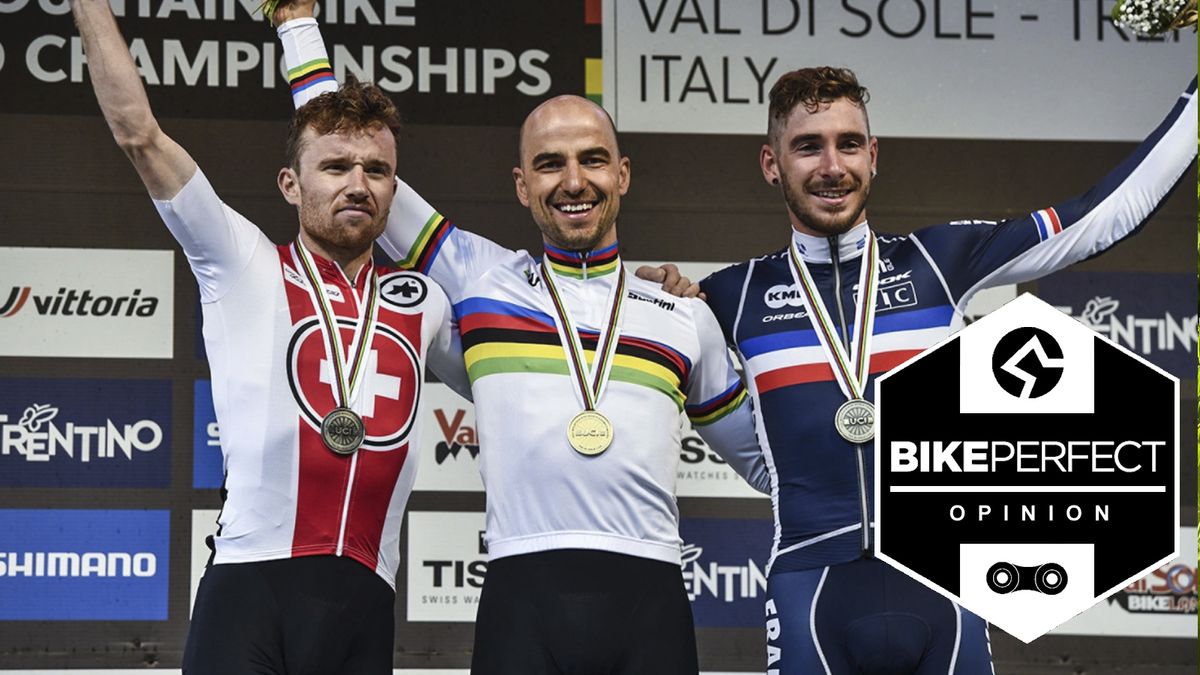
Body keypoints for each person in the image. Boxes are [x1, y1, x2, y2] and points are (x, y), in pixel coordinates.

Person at [267, 5, 771, 674]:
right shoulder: (478, 277)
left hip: (651, 601)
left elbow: (776, 467)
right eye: (549, 163)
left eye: (593, 160)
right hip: (520, 600)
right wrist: (296, 21)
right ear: (522, 184)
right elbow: (337, 137)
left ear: (622, 173)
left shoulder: (680, 313)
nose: (573, 181)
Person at [697, 68, 1197, 673]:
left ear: (873, 155)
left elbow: (1099, 217)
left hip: (942, 588)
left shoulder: (941, 261)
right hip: (810, 587)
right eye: (808, 146)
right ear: (771, 163)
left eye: (849, 143)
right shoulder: (729, 295)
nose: (832, 166)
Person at [70, 1, 470, 672]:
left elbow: (523, 365)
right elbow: (139, 132)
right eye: (335, 166)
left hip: (367, 606)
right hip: (252, 592)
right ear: (291, 183)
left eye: (376, 171)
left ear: (394, 191)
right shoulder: (242, 261)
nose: (357, 183)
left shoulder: (423, 302)